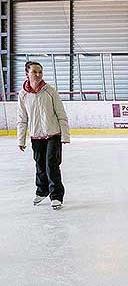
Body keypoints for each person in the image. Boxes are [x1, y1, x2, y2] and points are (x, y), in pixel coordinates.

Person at [17, 61, 70, 210]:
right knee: (40, 165)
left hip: (53, 134)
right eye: (34, 72)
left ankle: (56, 196)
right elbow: (22, 119)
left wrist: (65, 136)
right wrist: (21, 139)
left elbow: (61, 114)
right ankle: (42, 190)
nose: (38, 74)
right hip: (36, 136)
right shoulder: (23, 95)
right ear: (27, 73)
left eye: (40, 72)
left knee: (52, 164)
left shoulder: (50, 91)